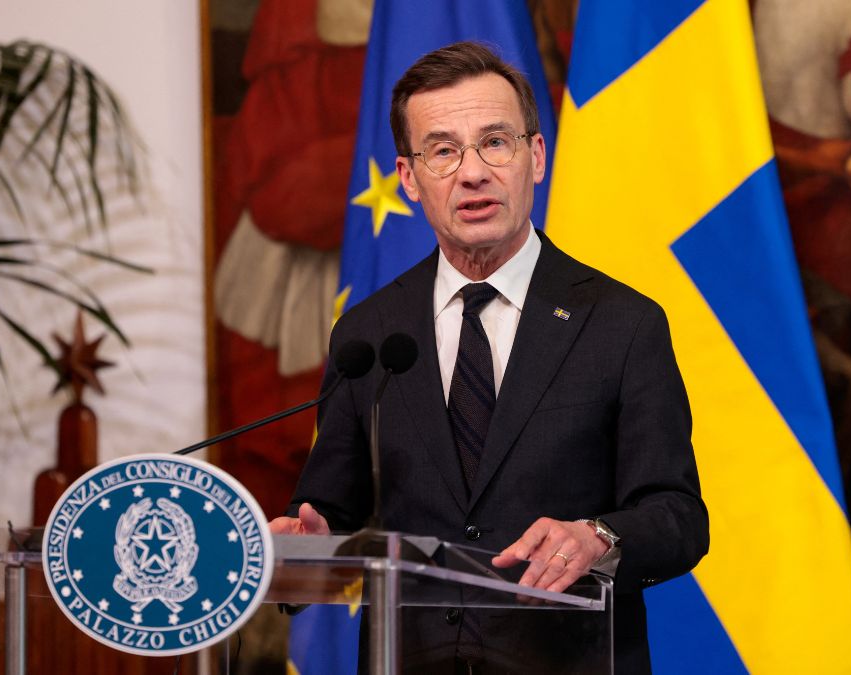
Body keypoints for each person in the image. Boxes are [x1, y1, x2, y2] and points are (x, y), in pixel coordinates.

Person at [270, 41, 709, 673]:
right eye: (443, 151)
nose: (472, 173)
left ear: (536, 157)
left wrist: (598, 536)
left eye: (495, 142)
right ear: (409, 179)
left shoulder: (622, 323)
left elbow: (678, 516)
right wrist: (309, 548)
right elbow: (328, 516)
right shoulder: (369, 334)